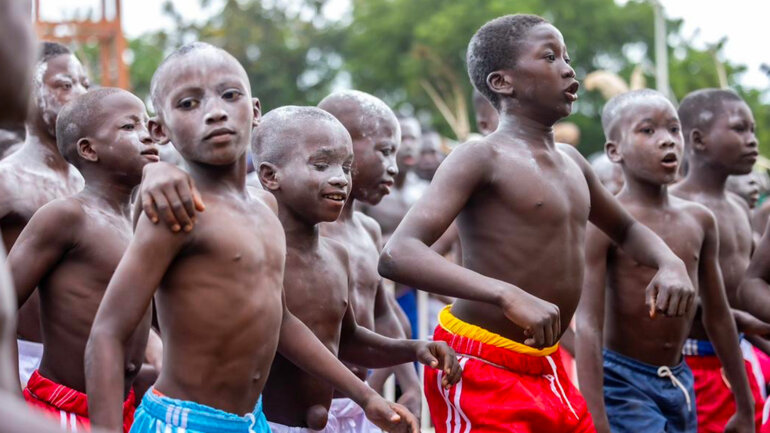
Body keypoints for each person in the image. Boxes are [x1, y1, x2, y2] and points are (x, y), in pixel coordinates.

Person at [378, 14, 695, 432]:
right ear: (502, 82)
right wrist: (505, 294)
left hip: (546, 365)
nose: (567, 68)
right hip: (480, 364)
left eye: (566, 56)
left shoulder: (574, 164)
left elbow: (629, 230)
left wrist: (669, 261)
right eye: (549, 56)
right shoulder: (480, 157)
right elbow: (398, 254)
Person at [85, 42, 419, 433]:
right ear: (159, 130)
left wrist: (366, 397)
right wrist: (152, 172)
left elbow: (283, 321)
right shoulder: (177, 211)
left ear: (255, 110)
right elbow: (107, 334)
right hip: (186, 421)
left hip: (251, 421)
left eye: (230, 95)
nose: (215, 112)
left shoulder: (266, 210)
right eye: (189, 104)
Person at [254, 105, 460, 432]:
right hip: (273, 424)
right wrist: (366, 396)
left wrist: (415, 349)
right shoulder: (260, 250)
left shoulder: (336, 255)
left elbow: (350, 340)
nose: (339, 178)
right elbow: (285, 332)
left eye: (347, 167)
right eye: (321, 165)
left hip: (346, 417)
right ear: (270, 176)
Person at [575, 89, 755, 433]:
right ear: (615, 151)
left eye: (674, 130)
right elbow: (588, 325)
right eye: (648, 131)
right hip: (622, 382)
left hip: (679, 379)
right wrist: (596, 417)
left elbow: (718, 316)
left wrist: (744, 407)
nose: (667, 141)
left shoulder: (700, 221)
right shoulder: (603, 224)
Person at [8, 87, 159, 432]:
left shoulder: (142, 223)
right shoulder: (66, 217)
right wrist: (10, 399)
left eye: (148, 124)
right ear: (89, 150)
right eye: (129, 127)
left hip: (122, 407)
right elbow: (3, 308)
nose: (147, 135)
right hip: (60, 407)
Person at [318, 90, 425, 417]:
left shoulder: (367, 230)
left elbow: (384, 315)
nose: (393, 168)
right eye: (385, 152)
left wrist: (411, 383)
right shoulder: (306, 230)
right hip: (306, 404)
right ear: (343, 145)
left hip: (358, 403)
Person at [672, 88, 767, 432]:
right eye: (740, 129)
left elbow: (746, 292)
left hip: (740, 360)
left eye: (753, 130)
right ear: (698, 140)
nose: (752, 140)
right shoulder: (673, 209)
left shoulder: (740, 208)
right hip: (692, 365)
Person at [0, 41, 89, 385]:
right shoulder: (7, 180)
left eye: (85, 83)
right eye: (65, 85)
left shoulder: (95, 182)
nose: (80, 94)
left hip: (94, 365)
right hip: (26, 364)